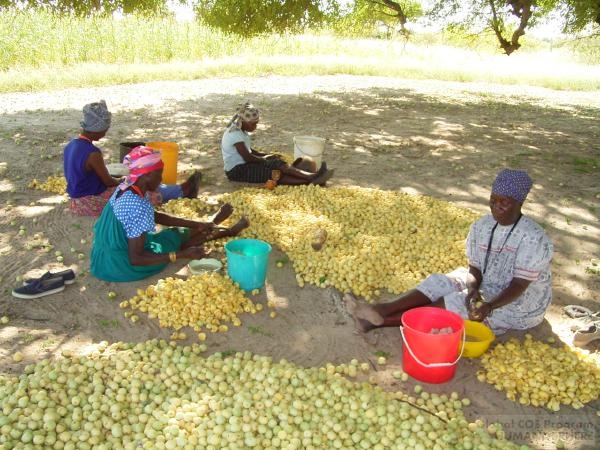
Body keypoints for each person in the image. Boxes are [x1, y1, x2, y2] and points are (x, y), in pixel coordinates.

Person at [345, 169, 554, 335]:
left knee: (454, 303)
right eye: (493, 200)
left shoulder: (534, 238)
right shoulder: (482, 226)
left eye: (504, 202)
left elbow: (519, 285)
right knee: (440, 282)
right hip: (487, 284)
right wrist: (473, 290)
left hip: (520, 301)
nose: (496, 207)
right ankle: (384, 308)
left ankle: (378, 322)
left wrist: (488, 306)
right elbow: (475, 268)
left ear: (519, 203)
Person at [91, 146, 249, 282]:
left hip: (104, 255)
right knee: (175, 240)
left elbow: (154, 216)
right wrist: (180, 255)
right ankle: (222, 229)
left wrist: (195, 223)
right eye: (159, 174)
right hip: (121, 265)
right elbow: (136, 258)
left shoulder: (129, 186)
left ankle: (209, 225)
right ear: (146, 175)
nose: (161, 180)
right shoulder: (136, 205)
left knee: (178, 234)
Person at [63, 100, 201, 217]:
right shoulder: (93, 153)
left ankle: (179, 189)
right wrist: (125, 181)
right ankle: (183, 191)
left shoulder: (72, 144)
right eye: (105, 129)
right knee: (141, 192)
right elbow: (108, 181)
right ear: (97, 128)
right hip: (89, 201)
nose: (105, 132)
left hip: (77, 198)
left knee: (139, 181)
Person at [221, 102, 334, 186]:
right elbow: (248, 157)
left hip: (245, 164)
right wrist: (265, 160)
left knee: (277, 162)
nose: (255, 127)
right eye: (253, 124)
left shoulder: (241, 131)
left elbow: (250, 151)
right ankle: (312, 180)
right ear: (244, 121)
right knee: (274, 173)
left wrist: (266, 155)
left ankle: (312, 176)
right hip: (237, 171)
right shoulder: (234, 134)